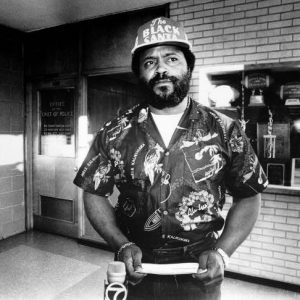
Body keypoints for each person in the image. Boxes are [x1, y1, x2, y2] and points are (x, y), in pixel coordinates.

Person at [74, 16, 268, 300]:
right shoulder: (114, 131)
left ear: (188, 66)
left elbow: (249, 195)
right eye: (150, 62)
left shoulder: (225, 130)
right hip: (133, 272)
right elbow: (93, 193)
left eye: (171, 59)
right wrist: (121, 244)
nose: (161, 69)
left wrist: (222, 254)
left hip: (199, 273)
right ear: (139, 73)